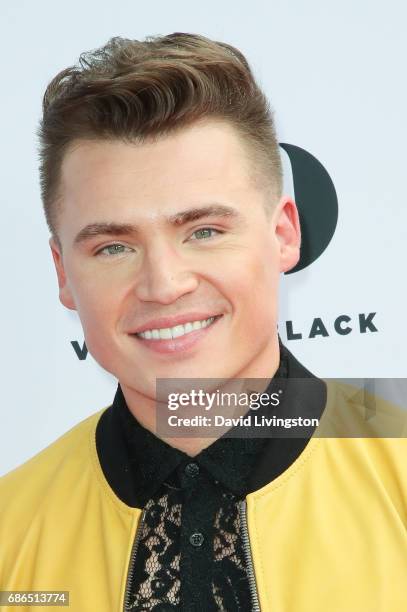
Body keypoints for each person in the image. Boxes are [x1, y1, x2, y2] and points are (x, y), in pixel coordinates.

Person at [0, 33, 405, 612]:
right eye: (114, 247)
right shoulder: (10, 530)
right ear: (63, 273)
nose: (164, 285)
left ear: (284, 234)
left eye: (204, 232)